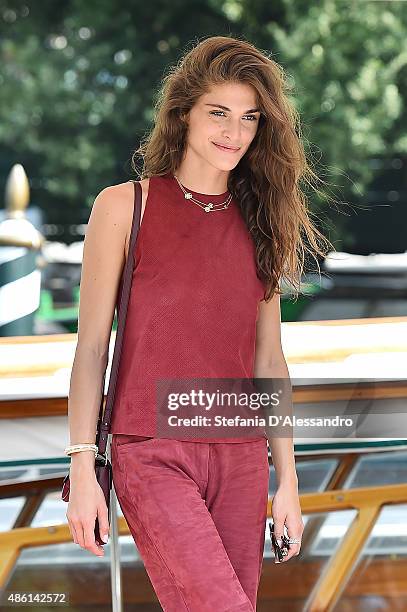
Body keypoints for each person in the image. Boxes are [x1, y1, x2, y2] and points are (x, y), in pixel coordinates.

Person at [65, 35, 333, 611]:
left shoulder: (259, 222)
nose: (233, 133)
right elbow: (91, 350)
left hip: (241, 455)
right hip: (151, 449)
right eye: (218, 113)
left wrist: (287, 481)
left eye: (248, 119)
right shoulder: (124, 207)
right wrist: (82, 468)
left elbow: (269, 361)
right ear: (183, 112)